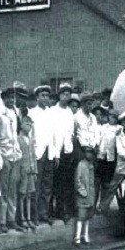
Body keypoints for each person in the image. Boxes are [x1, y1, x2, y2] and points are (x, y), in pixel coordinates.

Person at [0, 86, 26, 233]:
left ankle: (11, 219)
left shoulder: (15, 112)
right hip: (5, 156)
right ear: (3, 98)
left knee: (13, 190)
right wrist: (1, 157)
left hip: (15, 156)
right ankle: (1, 221)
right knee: (4, 190)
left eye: (13, 97)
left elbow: (16, 135)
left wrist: (18, 153)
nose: (11, 100)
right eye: (8, 98)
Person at [29, 85, 55, 225]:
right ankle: (34, 215)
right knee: (36, 185)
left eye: (47, 96)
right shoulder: (32, 113)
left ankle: (44, 213)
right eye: (42, 95)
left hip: (49, 153)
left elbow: (54, 135)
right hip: (38, 153)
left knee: (47, 185)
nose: (45, 98)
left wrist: (55, 154)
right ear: (37, 97)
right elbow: (31, 136)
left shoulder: (51, 113)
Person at [51, 83, 75, 222]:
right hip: (56, 151)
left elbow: (70, 132)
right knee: (58, 183)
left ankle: (66, 210)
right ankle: (58, 210)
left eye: (68, 94)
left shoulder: (69, 112)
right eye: (64, 94)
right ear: (59, 95)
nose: (66, 97)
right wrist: (56, 154)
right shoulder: (54, 111)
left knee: (67, 182)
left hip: (67, 150)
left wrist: (69, 149)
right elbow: (54, 133)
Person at [96, 109, 120, 212]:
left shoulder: (119, 128)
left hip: (111, 159)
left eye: (115, 117)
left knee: (107, 183)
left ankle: (104, 205)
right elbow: (98, 139)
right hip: (101, 157)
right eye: (111, 116)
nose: (112, 119)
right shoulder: (103, 127)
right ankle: (95, 205)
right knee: (98, 181)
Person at [17, 116, 37, 230]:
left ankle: (29, 218)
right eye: (26, 124)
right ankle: (22, 218)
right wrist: (20, 171)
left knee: (29, 194)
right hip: (22, 171)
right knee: (22, 195)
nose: (28, 126)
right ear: (21, 125)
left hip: (30, 171)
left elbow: (33, 156)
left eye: (30, 124)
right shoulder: (18, 139)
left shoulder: (31, 139)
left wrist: (35, 172)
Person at [74, 146, 96, 246]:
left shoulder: (91, 165)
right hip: (83, 196)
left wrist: (91, 194)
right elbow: (78, 180)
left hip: (90, 195)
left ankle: (85, 236)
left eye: (90, 153)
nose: (89, 155)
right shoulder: (81, 165)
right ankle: (77, 238)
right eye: (87, 152)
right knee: (81, 217)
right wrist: (83, 192)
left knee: (87, 217)